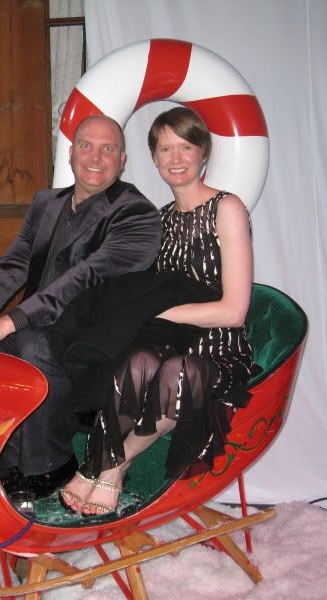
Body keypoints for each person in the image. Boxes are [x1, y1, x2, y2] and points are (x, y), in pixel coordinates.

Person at [0, 115, 161, 498]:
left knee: (32, 345)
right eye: (86, 146)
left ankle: (48, 466)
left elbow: (85, 278)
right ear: (70, 153)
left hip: (94, 345)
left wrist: (8, 322)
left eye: (108, 149)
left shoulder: (137, 214)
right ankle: (0, 464)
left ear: (122, 159)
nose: (95, 157)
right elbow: (13, 264)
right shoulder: (46, 203)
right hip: (35, 329)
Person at [58, 107, 255, 515]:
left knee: (177, 372)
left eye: (186, 147)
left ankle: (110, 466)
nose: (176, 158)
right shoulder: (158, 220)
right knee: (140, 360)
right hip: (167, 341)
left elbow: (234, 311)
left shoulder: (227, 208)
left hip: (216, 347)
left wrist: (162, 316)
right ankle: (101, 462)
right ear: (153, 157)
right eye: (165, 149)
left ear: (204, 152)